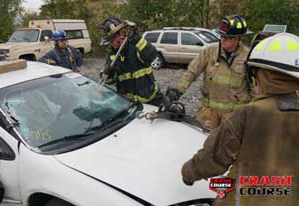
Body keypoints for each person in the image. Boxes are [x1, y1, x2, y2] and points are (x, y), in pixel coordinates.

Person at [181, 33, 299, 205]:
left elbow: (213, 158)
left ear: (257, 72)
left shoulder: (248, 114)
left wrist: (189, 172)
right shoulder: (210, 52)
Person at [170, 15, 253, 129]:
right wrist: (178, 90)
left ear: (238, 38)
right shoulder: (210, 51)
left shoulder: (249, 57)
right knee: (202, 141)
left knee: (229, 145)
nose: (222, 40)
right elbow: (191, 72)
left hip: (234, 116)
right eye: (221, 36)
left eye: (227, 38)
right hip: (208, 114)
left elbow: (255, 89)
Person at [99, 17, 163, 106]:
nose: (110, 44)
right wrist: (109, 73)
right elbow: (110, 81)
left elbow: (151, 56)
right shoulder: (111, 55)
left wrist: (137, 39)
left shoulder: (136, 47)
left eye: (111, 41)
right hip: (128, 103)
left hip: (150, 100)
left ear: (121, 35)